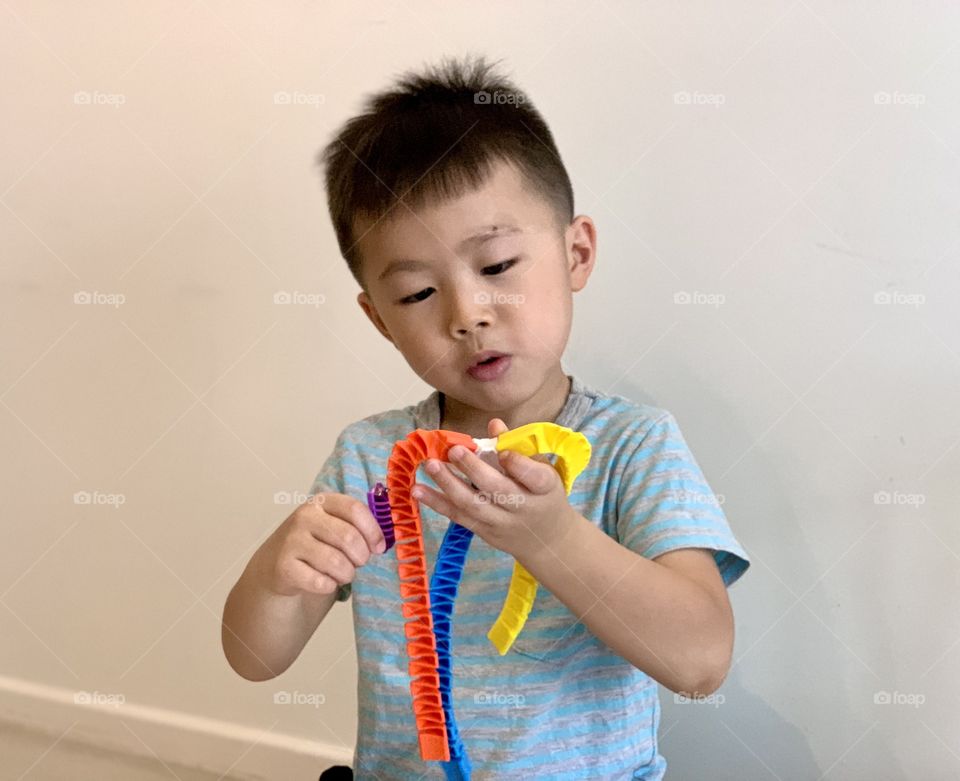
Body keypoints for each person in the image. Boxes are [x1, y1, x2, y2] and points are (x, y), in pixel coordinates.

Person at [222, 53, 751, 780]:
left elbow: (699, 662)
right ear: (378, 320)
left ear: (576, 254)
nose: (468, 314)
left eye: (498, 266)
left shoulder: (632, 445)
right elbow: (254, 659)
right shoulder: (371, 455)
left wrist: (552, 537)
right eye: (416, 295)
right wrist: (279, 574)